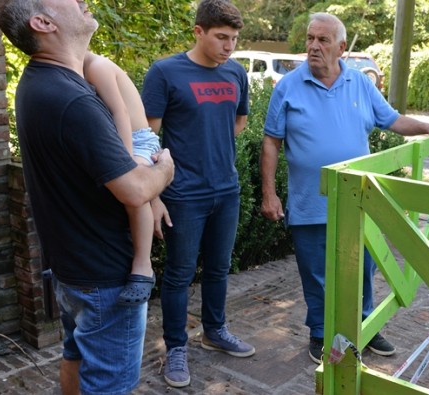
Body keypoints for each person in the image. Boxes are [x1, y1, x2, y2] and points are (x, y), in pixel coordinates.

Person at [0, 0, 175, 394]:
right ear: (42, 22)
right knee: (109, 383)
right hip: (105, 279)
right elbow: (134, 188)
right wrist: (166, 168)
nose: (83, 1)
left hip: (73, 270)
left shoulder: (40, 83)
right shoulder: (71, 99)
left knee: (75, 355)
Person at [259, 12, 429, 365]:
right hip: (310, 201)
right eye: (310, 39)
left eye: (323, 40)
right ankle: (320, 333)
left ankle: (364, 325)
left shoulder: (361, 84)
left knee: (364, 267)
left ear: (342, 47)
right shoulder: (288, 85)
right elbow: (271, 142)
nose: (314, 46)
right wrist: (269, 193)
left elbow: (393, 120)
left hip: (359, 201)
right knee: (316, 273)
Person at [141, 0, 253, 388]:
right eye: (222, 37)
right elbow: (147, 138)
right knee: (179, 274)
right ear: (198, 31)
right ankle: (175, 347)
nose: (229, 46)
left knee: (220, 268)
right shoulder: (165, 72)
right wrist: (154, 194)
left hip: (227, 189)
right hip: (183, 194)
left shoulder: (237, 73)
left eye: (234, 39)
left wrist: (211, 151)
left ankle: (214, 331)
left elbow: (238, 122)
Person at [83, 52, 162, 306]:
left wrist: (126, 161)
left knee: (134, 196)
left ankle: (143, 266)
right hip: (122, 139)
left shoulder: (97, 66)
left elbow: (121, 113)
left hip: (139, 140)